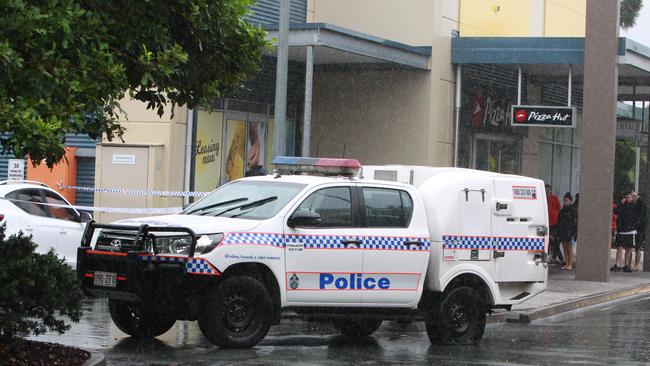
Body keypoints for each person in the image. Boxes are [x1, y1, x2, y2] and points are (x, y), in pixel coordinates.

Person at [612, 192, 638, 273]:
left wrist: (636, 197)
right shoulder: (622, 206)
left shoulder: (634, 206)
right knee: (619, 247)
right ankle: (617, 264)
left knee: (628, 248)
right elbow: (615, 211)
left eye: (629, 197)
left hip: (630, 230)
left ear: (632, 198)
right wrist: (621, 203)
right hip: (621, 230)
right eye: (626, 197)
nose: (628, 199)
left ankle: (626, 265)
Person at [557, 192, 577, 270]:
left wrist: (574, 233)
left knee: (569, 248)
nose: (565, 202)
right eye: (564, 200)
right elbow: (559, 221)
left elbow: (574, 223)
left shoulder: (573, 211)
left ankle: (570, 264)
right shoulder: (562, 211)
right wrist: (558, 232)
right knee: (564, 247)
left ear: (570, 201)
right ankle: (566, 262)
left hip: (569, 231)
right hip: (563, 231)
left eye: (566, 200)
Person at [546, 184, 563, 265]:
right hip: (546, 223)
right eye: (546, 190)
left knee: (555, 241)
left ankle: (558, 258)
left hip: (554, 223)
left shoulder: (554, 198)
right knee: (548, 241)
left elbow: (558, 209)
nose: (547, 191)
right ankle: (551, 256)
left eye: (548, 190)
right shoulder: (543, 198)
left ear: (551, 190)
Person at [633, 192, 647, 271]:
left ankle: (636, 265)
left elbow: (641, 215)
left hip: (639, 228)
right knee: (633, 247)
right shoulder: (634, 203)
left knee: (637, 247)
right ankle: (630, 264)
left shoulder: (641, 202)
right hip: (634, 227)